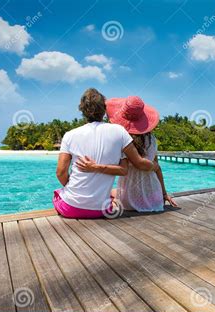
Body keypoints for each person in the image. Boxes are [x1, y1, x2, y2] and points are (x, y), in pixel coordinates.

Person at [54, 89, 155, 219]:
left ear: (82, 110)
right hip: (102, 209)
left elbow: (60, 173)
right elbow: (136, 164)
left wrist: (75, 191)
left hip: (71, 208)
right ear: (104, 110)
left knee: (58, 193)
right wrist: (155, 167)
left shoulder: (70, 135)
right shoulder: (120, 132)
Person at [77, 95, 177, 212]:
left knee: (105, 192)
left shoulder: (121, 140)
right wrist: (164, 194)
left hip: (130, 200)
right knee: (112, 191)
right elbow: (157, 168)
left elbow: (126, 168)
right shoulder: (152, 140)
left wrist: (94, 167)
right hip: (155, 199)